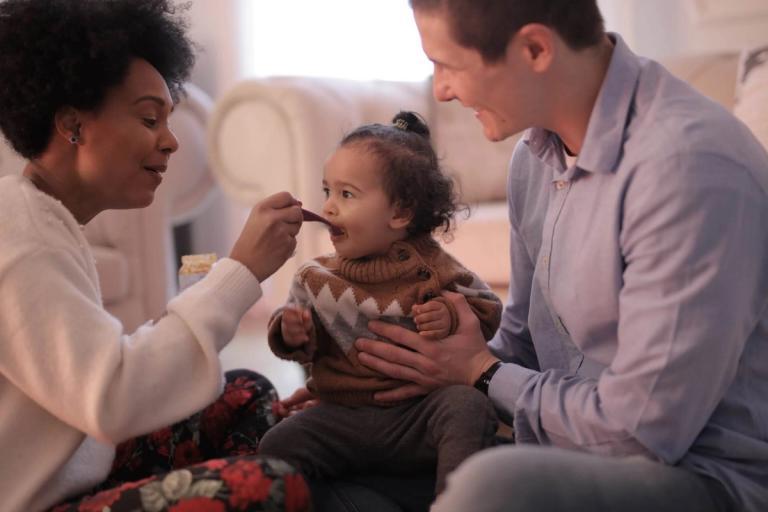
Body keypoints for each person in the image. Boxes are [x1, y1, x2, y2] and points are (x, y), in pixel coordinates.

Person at [353, 1, 768, 511]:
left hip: (698, 475)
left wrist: (482, 372)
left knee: (492, 489)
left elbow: (641, 435)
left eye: (450, 65)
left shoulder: (687, 168)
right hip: (563, 446)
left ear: (535, 49)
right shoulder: (534, 157)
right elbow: (525, 345)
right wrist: (382, 390)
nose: (440, 89)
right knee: (334, 459)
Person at [0, 1, 311, 511]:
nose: (169, 142)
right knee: (271, 485)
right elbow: (113, 398)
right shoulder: (18, 230)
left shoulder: (43, 218)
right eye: (149, 118)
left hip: (81, 468)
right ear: (73, 125)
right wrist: (241, 272)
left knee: (246, 394)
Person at [258, 111, 502, 497]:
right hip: (341, 416)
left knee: (467, 407)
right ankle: (375, 490)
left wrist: (451, 316)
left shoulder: (435, 269)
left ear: (400, 212)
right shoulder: (314, 277)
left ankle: (452, 502)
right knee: (277, 444)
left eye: (347, 194)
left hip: (417, 417)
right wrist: (291, 332)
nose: (330, 207)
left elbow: (487, 309)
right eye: (327, 192)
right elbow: (298, 347)